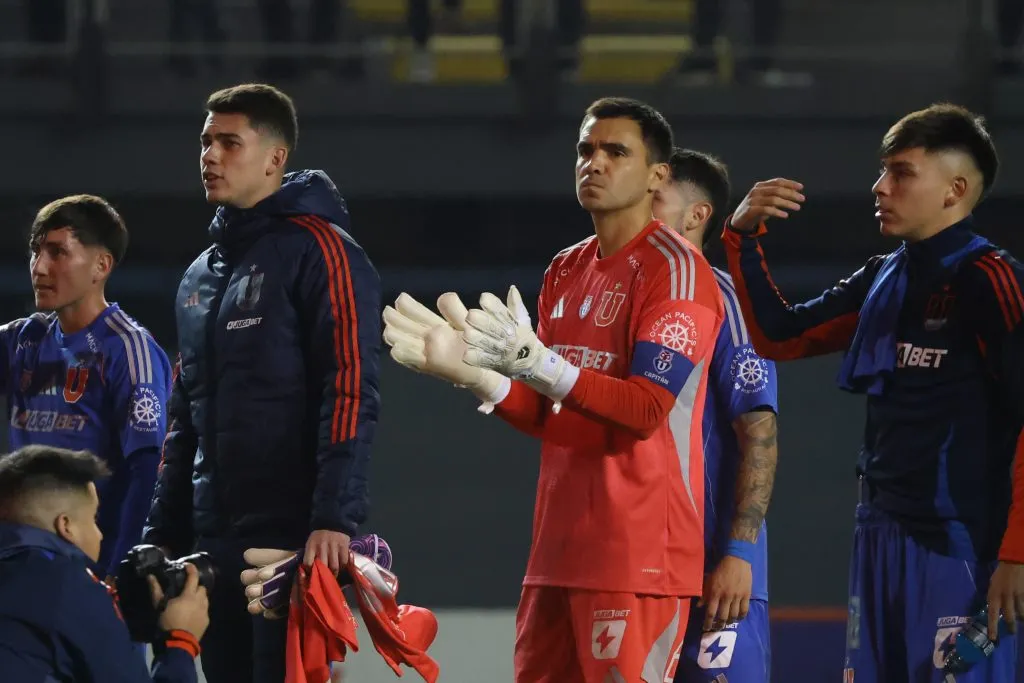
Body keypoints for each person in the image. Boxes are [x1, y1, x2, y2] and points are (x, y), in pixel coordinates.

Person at [382, 96, 725, 683]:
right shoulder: (566, 269)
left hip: (637, 556)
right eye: (586, 150)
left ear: (657, 175)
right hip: (557, 554)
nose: (595, 162)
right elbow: (550, 412)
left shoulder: (679, 269)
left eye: (617, 152)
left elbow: (645, 409)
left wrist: (540, 365)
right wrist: (479, 377)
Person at [722, 103, 1023, 681]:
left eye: (902, 173)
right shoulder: (883, 273)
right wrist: (741, 237)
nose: (879, 187)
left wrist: (1017, 553)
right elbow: (781, 336)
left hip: (962, 551)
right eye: (883, 170)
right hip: (877, 538)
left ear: (954, 189)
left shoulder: (992, 279)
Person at [143, 82, 382, 683]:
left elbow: (350, 388)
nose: (210, 156)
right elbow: (184, 417)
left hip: (292, 539)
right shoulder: (199, 276)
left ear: (275, 158)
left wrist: (333, 518)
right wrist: (162, 535)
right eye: (205, 142)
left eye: (229, 142)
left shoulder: (323, 250)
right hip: (211, 537)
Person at [651, 148, 779, 683]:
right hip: (638, 571)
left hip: (712, 571)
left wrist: (738, 552)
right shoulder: (630, 295)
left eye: (653, 199)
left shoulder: (726, 301)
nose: (639, 211)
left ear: (697, 214)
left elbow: (760, 432)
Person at [0, 194, 171, 585]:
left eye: (57, 252)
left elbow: (145, 472)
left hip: (88, 569)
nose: (39, 267)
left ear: (101, 266)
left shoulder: (128, 349)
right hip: (19, 561)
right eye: (35, 251)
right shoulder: (25, 340)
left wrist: (114, 571)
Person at [0, 444, 209, 682]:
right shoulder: (70, 588)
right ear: (66, 525)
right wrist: (180, 641)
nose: (99, 535)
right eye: (93, 518)